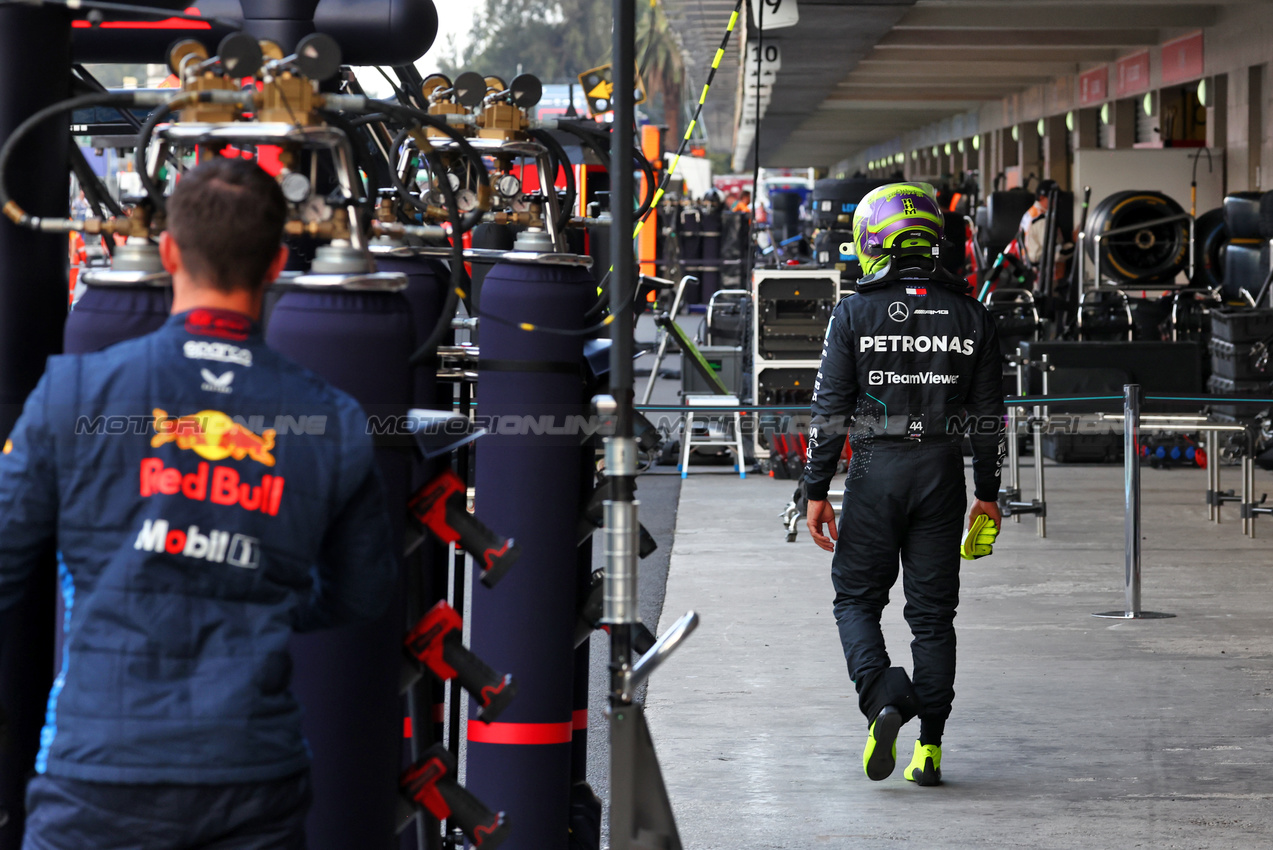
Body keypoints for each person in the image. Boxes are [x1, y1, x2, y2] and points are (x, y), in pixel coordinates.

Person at [0, 158, 398, 848]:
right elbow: (363, 594)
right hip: (252, 772)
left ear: (171, 251)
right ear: (276, 263)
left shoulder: (74, 392)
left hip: (101, 767)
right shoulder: (330, 418)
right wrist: (257, 589)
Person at [804, 182, 1005, 787]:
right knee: (933, 615)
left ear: (871, 240)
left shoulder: (853, 311)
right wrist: (988, 493)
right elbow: (991, 418)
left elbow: (830, 411)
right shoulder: (975, 315)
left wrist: (815, 490)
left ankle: (882, 699)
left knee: (857, 600)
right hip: (943, 470)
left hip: (874, 469)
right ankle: (931, 751)